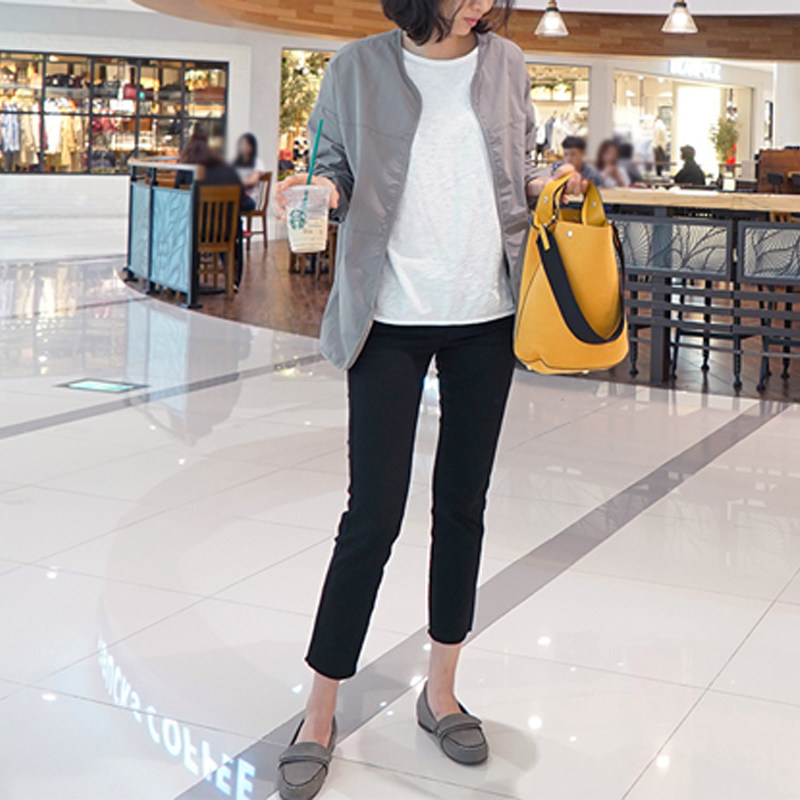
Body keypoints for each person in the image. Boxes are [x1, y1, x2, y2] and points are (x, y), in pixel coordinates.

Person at [273, 1, 585, 798]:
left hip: (487, 315)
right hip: (388, 317)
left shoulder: (507, 63)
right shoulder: (356, 68)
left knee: (463, 505)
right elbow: (331, 166)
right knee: (372, 515)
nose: (481, 5)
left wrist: (548, 182)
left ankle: (441, 690)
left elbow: (516, 166)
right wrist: (319, 192)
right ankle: (320, 708)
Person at [180, 135, 248, 290]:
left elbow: (178, 202)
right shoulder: (228, 171)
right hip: (226, 233)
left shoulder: (186, 172)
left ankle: (184, 277)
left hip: (195, 232)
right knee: (234, 226)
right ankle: (233, 280)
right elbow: (244, 202)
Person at [545, 135, 609, 188]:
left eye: (573, 154)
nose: (569, 158)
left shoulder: (592, 175)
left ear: (583, 153)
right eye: (566, 154)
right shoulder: (555, 168)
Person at [233, 132, 265, 212]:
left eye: (246, 144)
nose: (243, 147)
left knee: (230, 203)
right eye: (242, 144)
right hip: (235, 195)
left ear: (252, 147)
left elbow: (253, 181)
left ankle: (236, 220)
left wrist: (236, 180)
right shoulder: (236, 163)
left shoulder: (257, 162)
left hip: (249, 198)